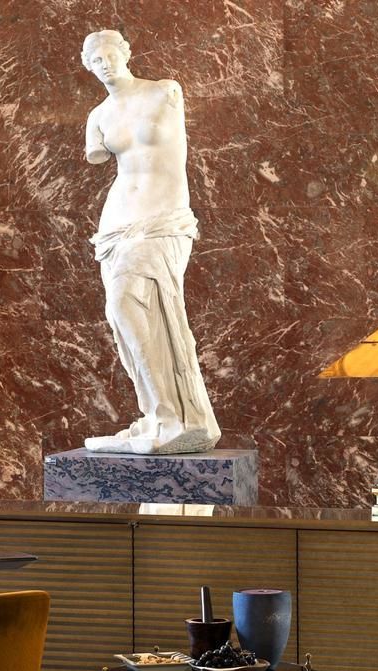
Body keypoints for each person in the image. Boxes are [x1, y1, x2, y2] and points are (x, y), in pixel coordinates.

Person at [81, 29, 221, 456]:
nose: (105, 64)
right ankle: (159, 417)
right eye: (96, 60)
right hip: (117, 224)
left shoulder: (164, 92)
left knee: (129, 303)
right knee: (122, 314)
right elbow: (100, 156)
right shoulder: (98, 117)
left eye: (111, 55)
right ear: (89, 68)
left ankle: (174, 417)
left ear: (125, 54)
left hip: (163, 217)